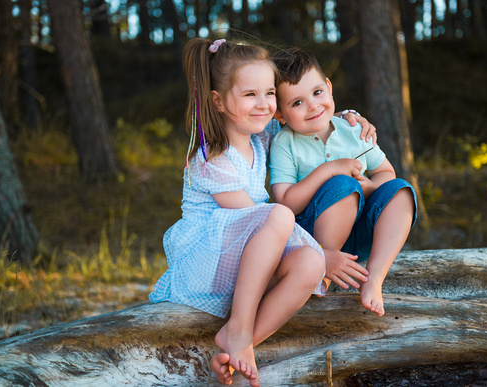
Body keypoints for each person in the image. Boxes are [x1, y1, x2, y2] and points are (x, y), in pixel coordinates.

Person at [149, 38, 376, 386]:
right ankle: (239, 328)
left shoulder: (262, 135)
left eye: (269, 93)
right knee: (282, 216)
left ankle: (240, 347)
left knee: (309, 265)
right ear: (218, 101)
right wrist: (325, 252)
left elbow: (303, 114)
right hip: (206, 260)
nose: (264, 105)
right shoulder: (211, 159)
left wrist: (346, 117)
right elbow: (261, 219)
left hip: (247, 262)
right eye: (250, 95)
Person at [269, 48, 417, 317]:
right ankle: (321, 272)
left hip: (359, 234)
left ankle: (374, 277)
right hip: (312, 241)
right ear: (279, 114)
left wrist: (368, 187)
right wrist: (329, 170)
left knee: (402, 191)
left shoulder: (353, 130)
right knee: (341, 186)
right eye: (297, 103)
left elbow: (386, 173)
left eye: (317, 93)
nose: (313, 106)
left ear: (328, 87)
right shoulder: (284, 143)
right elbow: (285, 203)